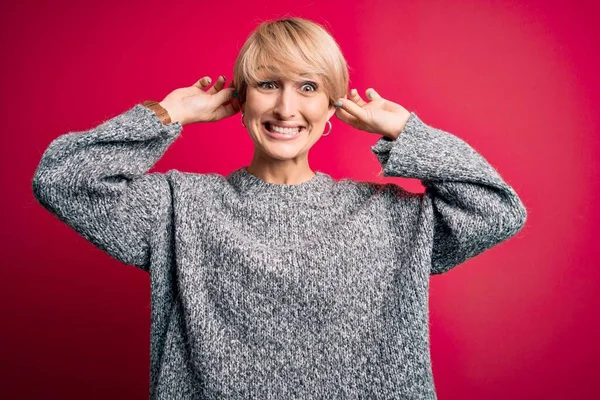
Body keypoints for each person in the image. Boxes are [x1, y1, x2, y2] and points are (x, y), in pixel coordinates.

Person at [32, 16, 527, 400]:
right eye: (269, 85)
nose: (286, 109)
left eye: (308, 87)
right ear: (242, 98)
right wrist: (169, 114)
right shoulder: (179, 208)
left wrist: (408, 133)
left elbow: (497, 211)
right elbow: (62, 180)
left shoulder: (390, 217)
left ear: (332, 106)